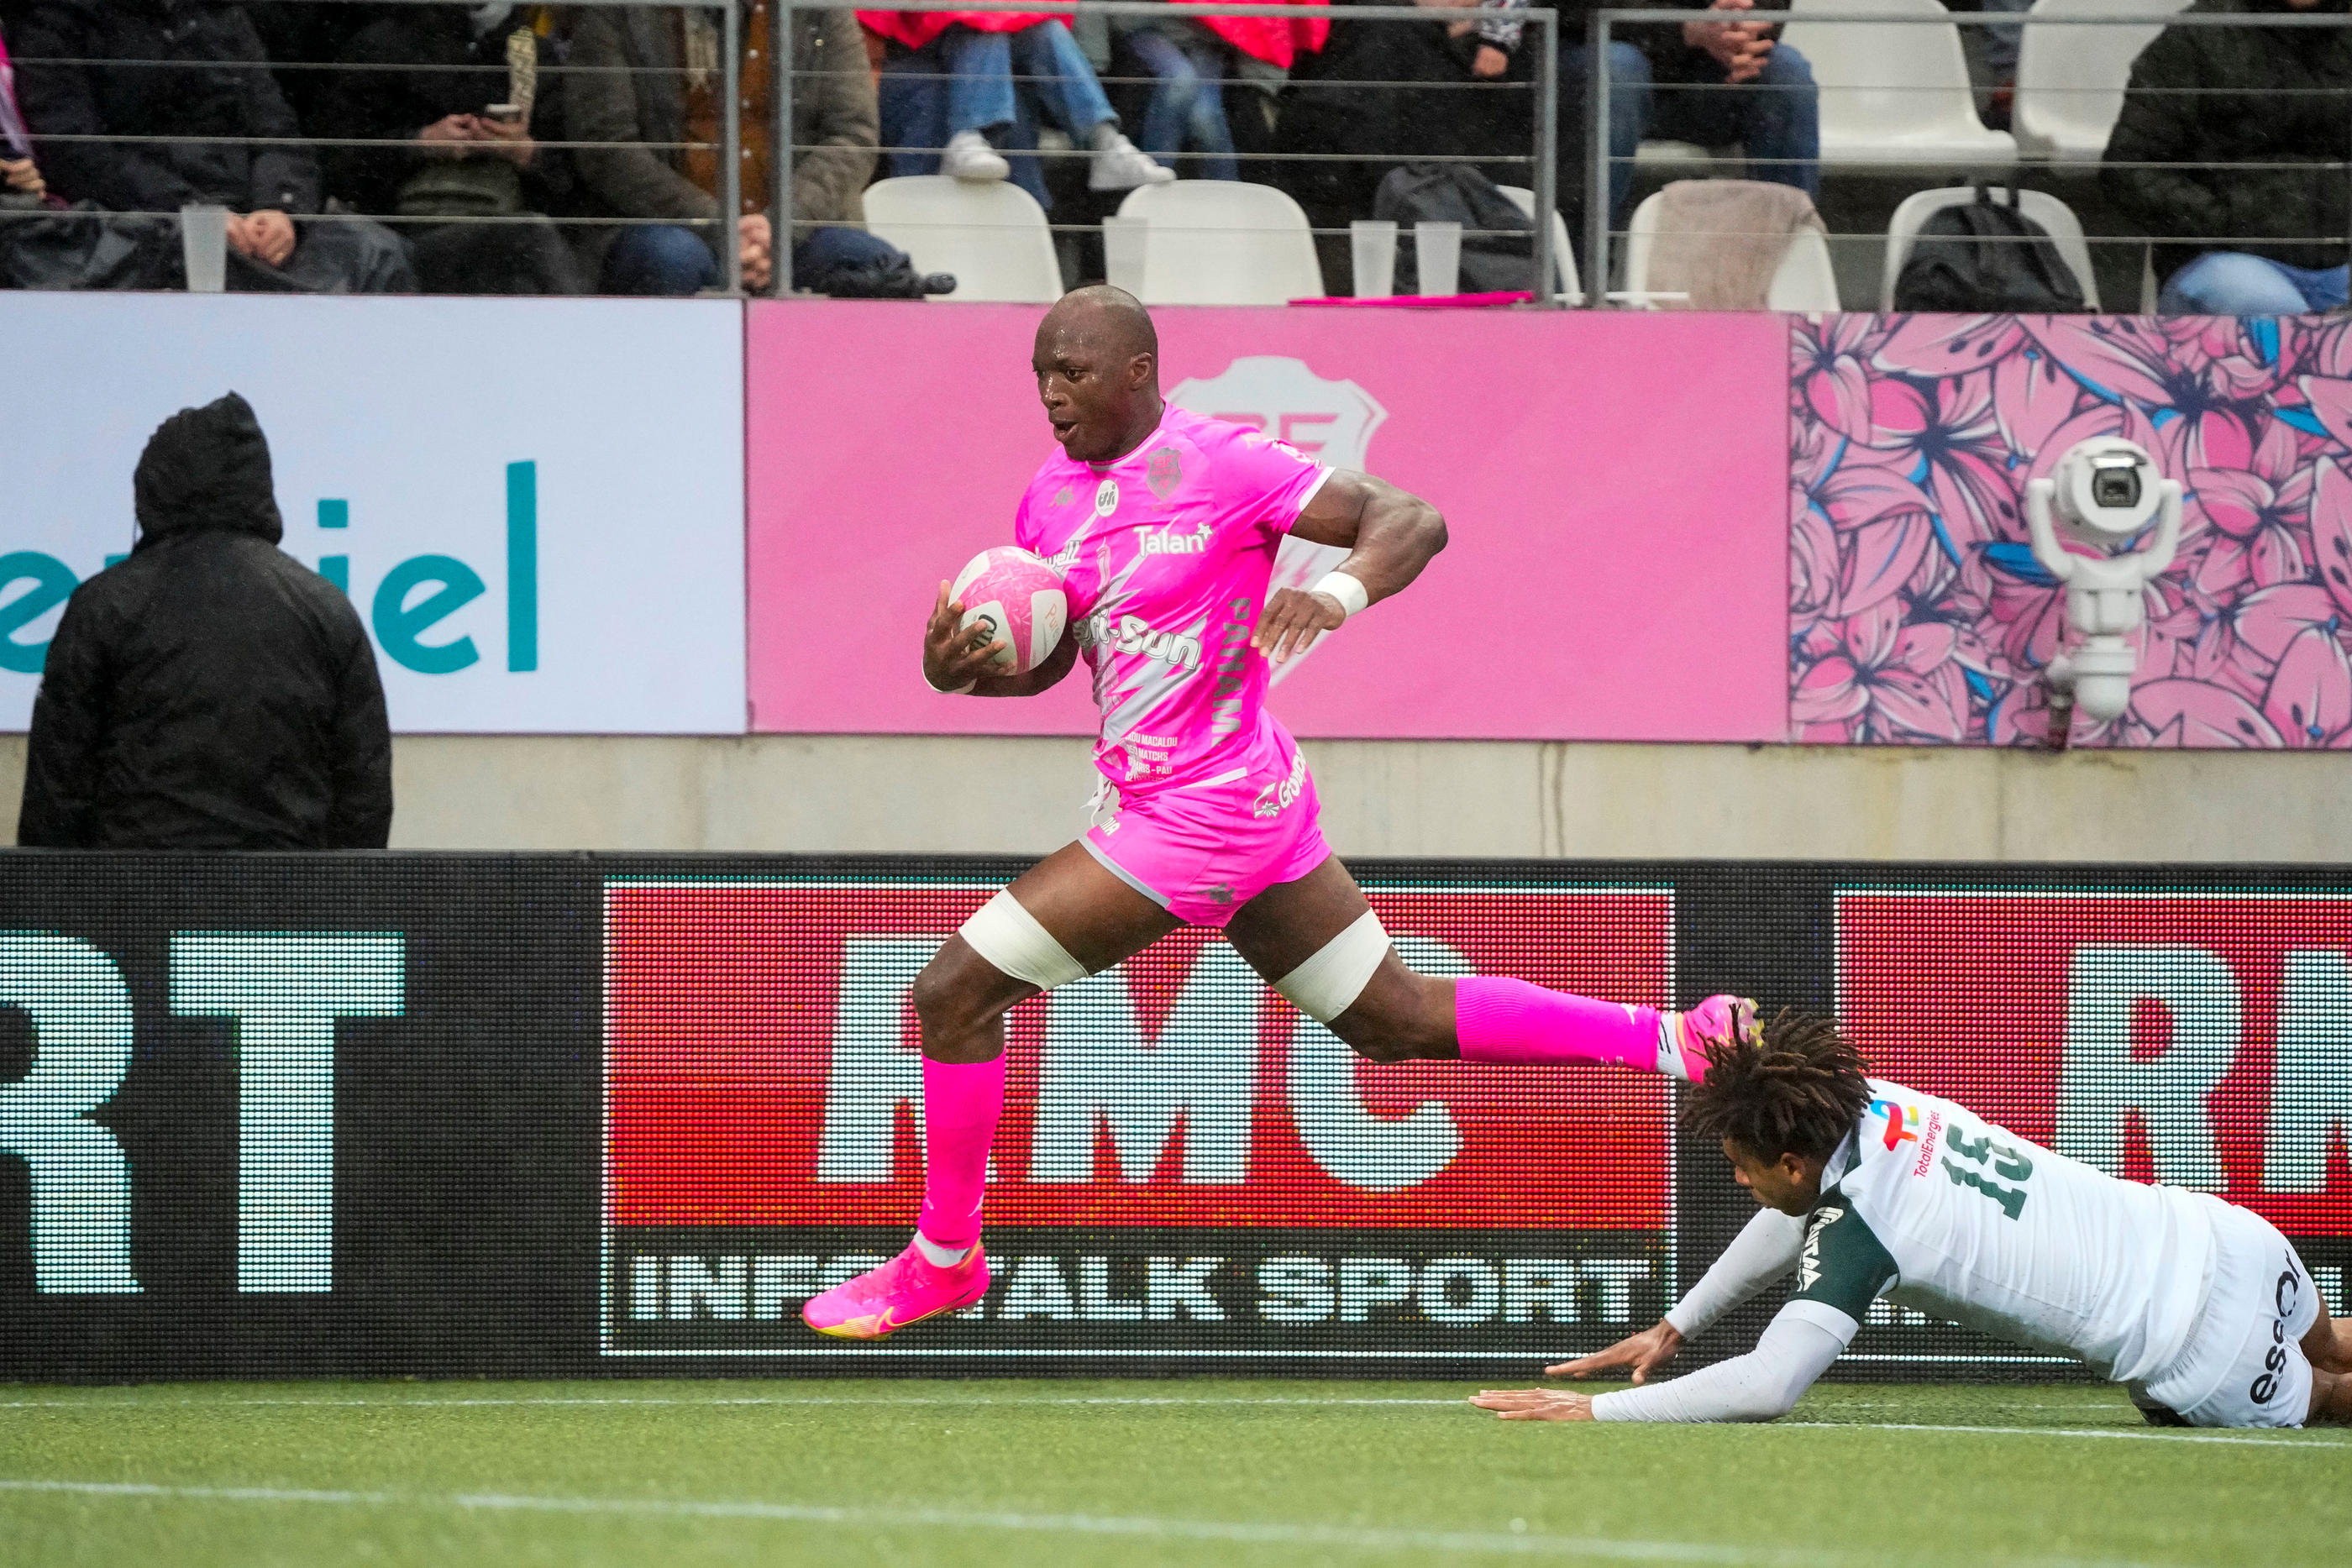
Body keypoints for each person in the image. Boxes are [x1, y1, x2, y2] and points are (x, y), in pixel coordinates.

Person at [800, 285, 1758, 1340]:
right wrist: (964, 672)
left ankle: (945, 1256)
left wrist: (1334, 593)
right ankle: (1678, 1038)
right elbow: (1065, 652)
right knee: (1391, 1018)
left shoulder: (1223, 463)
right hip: (1234, 797)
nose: (1050, 393)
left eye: (1070, 371)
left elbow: (1413, 519)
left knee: (953, 992)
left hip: (1199, 812)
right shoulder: (1047, 501)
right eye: (1038, 373)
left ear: (1136, 372)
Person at [1471, 1017, 2351, 1428]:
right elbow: (1800, 1218)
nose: (1735, 1178)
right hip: (2224, 1239)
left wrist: (1595, 1413)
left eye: (1740, 1164)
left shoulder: (1864, 1233)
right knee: (2337, 1345)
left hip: (2197, 1354)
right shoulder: (1866, 1099)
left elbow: (1768, 1384)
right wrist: (1677, 1323)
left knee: (2336, 1396)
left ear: (1791, 1162)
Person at [18, 393, 392, 851]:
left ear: (153, 491)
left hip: (133, 900)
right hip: (288, 902)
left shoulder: (104, 606)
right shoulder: (326, 608)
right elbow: (364, 793)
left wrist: (55, 906)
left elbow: (58, 785)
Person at [9, 1, 412, 293]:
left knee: (378, 252)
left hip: (252, 211)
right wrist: (194, 212)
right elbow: (74, 151)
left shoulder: (222, 15)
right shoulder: (58, 20)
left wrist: (283, 209)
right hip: (143, 217)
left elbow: (277, 130)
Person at [565, 2, 877, 295]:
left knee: (868, 261)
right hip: (667, 225)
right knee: (672, 257)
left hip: (799, 229)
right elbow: (606, 146)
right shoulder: (617, 11)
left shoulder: (822, 11)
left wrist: (780, 227)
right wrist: (718, 226)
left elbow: (853, 136)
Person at [2103, 0, 2352, 316]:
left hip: (2338, 260)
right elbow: (2129, 168)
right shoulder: (2199, 35)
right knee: (2272, 317)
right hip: (2222, 260)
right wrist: (2227, 218)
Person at [316, 4, 584, 296]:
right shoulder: (383, 44)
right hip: (404, 238)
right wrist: (419, 144)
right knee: (530, 238)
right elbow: (336, 161)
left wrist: (527, 154)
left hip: (502, 237)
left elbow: (573, 186)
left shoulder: (534, 55)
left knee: (521, 273)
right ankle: (584, 332)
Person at [1553, 0, 1821, 236]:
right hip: (1598, 63)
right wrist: (1683, 28)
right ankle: (1581, 277)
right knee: (1616, 69)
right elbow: (1574, 9)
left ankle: (1787, 264)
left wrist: (1742, 29)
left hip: (1704, 79)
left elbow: (1767, 7)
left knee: (1787, 75)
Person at [863, 12, 1173, 200]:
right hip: (916, 38)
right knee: (989, 24)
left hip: (995, 37)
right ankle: (970, 137)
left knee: (1040, 31)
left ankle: (1104, 142)